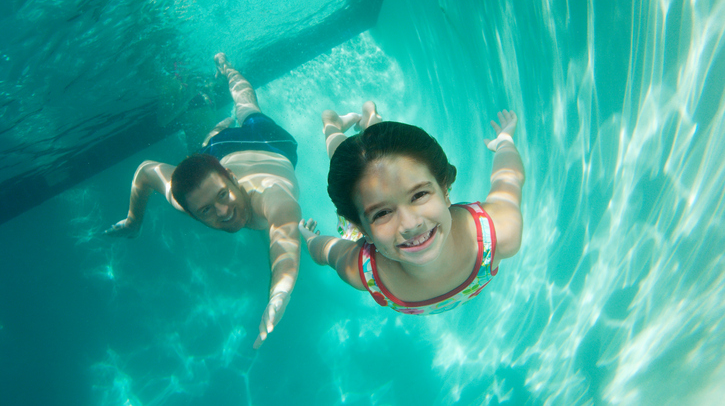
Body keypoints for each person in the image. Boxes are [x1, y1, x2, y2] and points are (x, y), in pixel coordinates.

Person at [106, 53, 302, 347]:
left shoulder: (273, 195)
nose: (224, 212)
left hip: (271, 143)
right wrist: (134, 221)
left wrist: (280, 294)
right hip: (219, 153)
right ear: (192, 214)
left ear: (232, 179)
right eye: (206, 210)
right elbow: (146, 171)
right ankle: (207, 112)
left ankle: (227, 69)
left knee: (247, 104)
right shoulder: (183, 199)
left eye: (223, 195)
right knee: (202, 148)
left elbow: (284, 234)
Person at [299, 103, 524, 315]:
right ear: (362, 229)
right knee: (349, 166)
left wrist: (504, 142)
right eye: (382, 213)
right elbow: (326, 251)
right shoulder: (364, 272)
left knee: (371, 164)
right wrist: (308, 239)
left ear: (445, 190)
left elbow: (508, 179)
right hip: (369, 229)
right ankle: (332, 125)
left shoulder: (498, 233)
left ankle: (369, 124)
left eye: (419, 195)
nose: (411, 225)